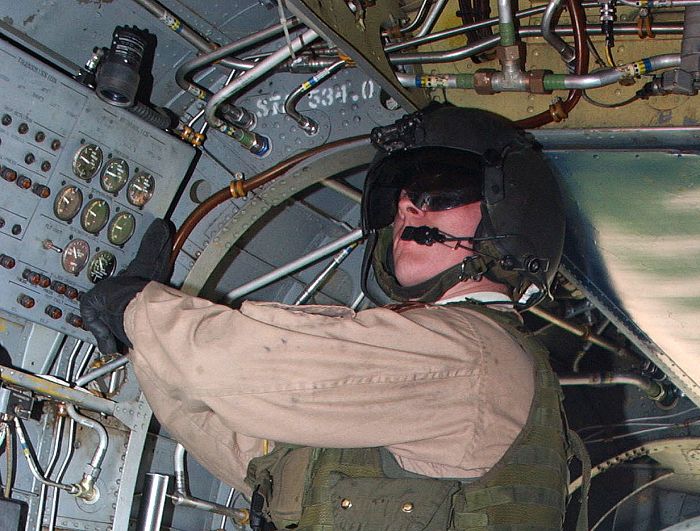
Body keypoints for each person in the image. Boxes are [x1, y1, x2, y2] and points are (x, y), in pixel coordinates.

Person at [81, 104, 587, 530]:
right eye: (402, 194)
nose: (409, 206)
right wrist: (143, 342)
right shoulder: (454, 365)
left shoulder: (470, 353)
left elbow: (230, 368)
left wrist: (136, 307)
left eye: (441, 187)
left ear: (512, 211)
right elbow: (251, 448)